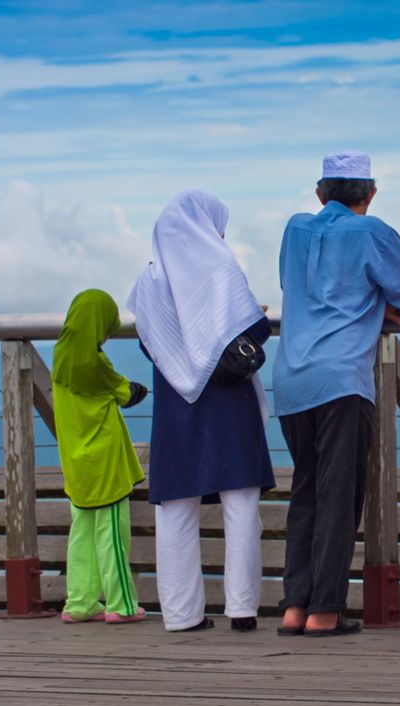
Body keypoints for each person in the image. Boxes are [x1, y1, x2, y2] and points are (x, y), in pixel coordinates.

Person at [273, 150, 400, 637]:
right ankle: (325, 611)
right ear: (371, 193)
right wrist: (378, 303)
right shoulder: (371, 232)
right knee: (339, 495)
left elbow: (297, 287)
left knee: (307, 491)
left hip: (291, 377)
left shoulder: (295, 228)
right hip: (341, 379)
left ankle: (294, 606)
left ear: (320, 193)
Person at [127, 189, 275, 633]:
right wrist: (249, 316)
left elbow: (150, 345)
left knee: (175, 506)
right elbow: (254, 331)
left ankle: (180, 614)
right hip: (229, 401)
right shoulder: (221, 268)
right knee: (241, 502)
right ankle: (242, 609)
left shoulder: (148, 282)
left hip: (177, 403)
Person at [52, 288, 148, 625]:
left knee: (82, 535)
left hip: (75, 463)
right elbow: (127, 393)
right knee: (113, 538)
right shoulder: (96, 364)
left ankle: (79, 603)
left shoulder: (60, 357)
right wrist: (140, 388)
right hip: (105, 463)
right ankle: (121, 605)